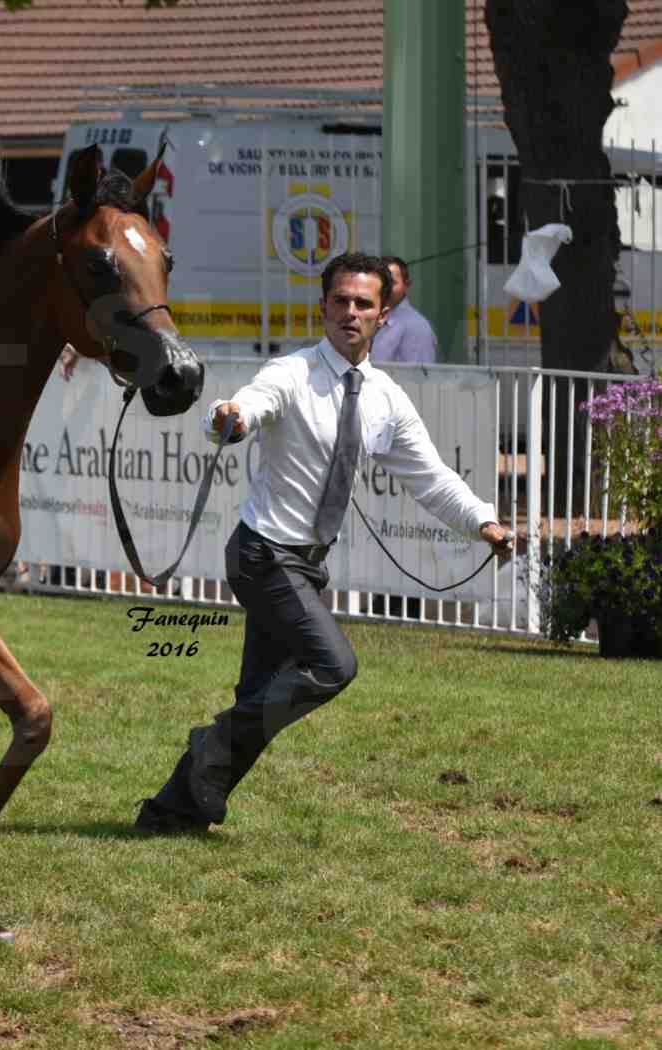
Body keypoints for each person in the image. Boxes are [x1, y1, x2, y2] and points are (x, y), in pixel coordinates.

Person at [134, 252, 513, 835]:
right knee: (332, 664)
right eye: (340, 301)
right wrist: (226, 417)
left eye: (364, 303)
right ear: (323, 307)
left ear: (383, 316)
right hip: (263, 556)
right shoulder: (291, 374)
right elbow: (245, 408)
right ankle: (210, 747)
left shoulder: (385, 398)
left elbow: (431, 477)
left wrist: (482, 522)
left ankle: (172, 811)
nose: (351, 312)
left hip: (305, 567)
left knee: (260, 698)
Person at [368, 255, 437, 364]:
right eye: (381, 281)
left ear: (407, 285)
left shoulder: (416, 326)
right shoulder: (368, 317)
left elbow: (418, 379)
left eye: (392, 282)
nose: (385, 287)